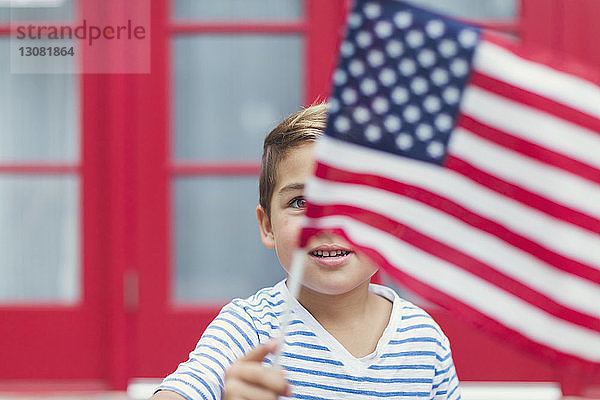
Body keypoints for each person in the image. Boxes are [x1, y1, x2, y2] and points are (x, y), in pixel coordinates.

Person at [152, 103, 461, 400]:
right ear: (267, 226)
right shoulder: (248, 329)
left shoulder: (424, 339)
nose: (326, 223)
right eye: (300, 202)